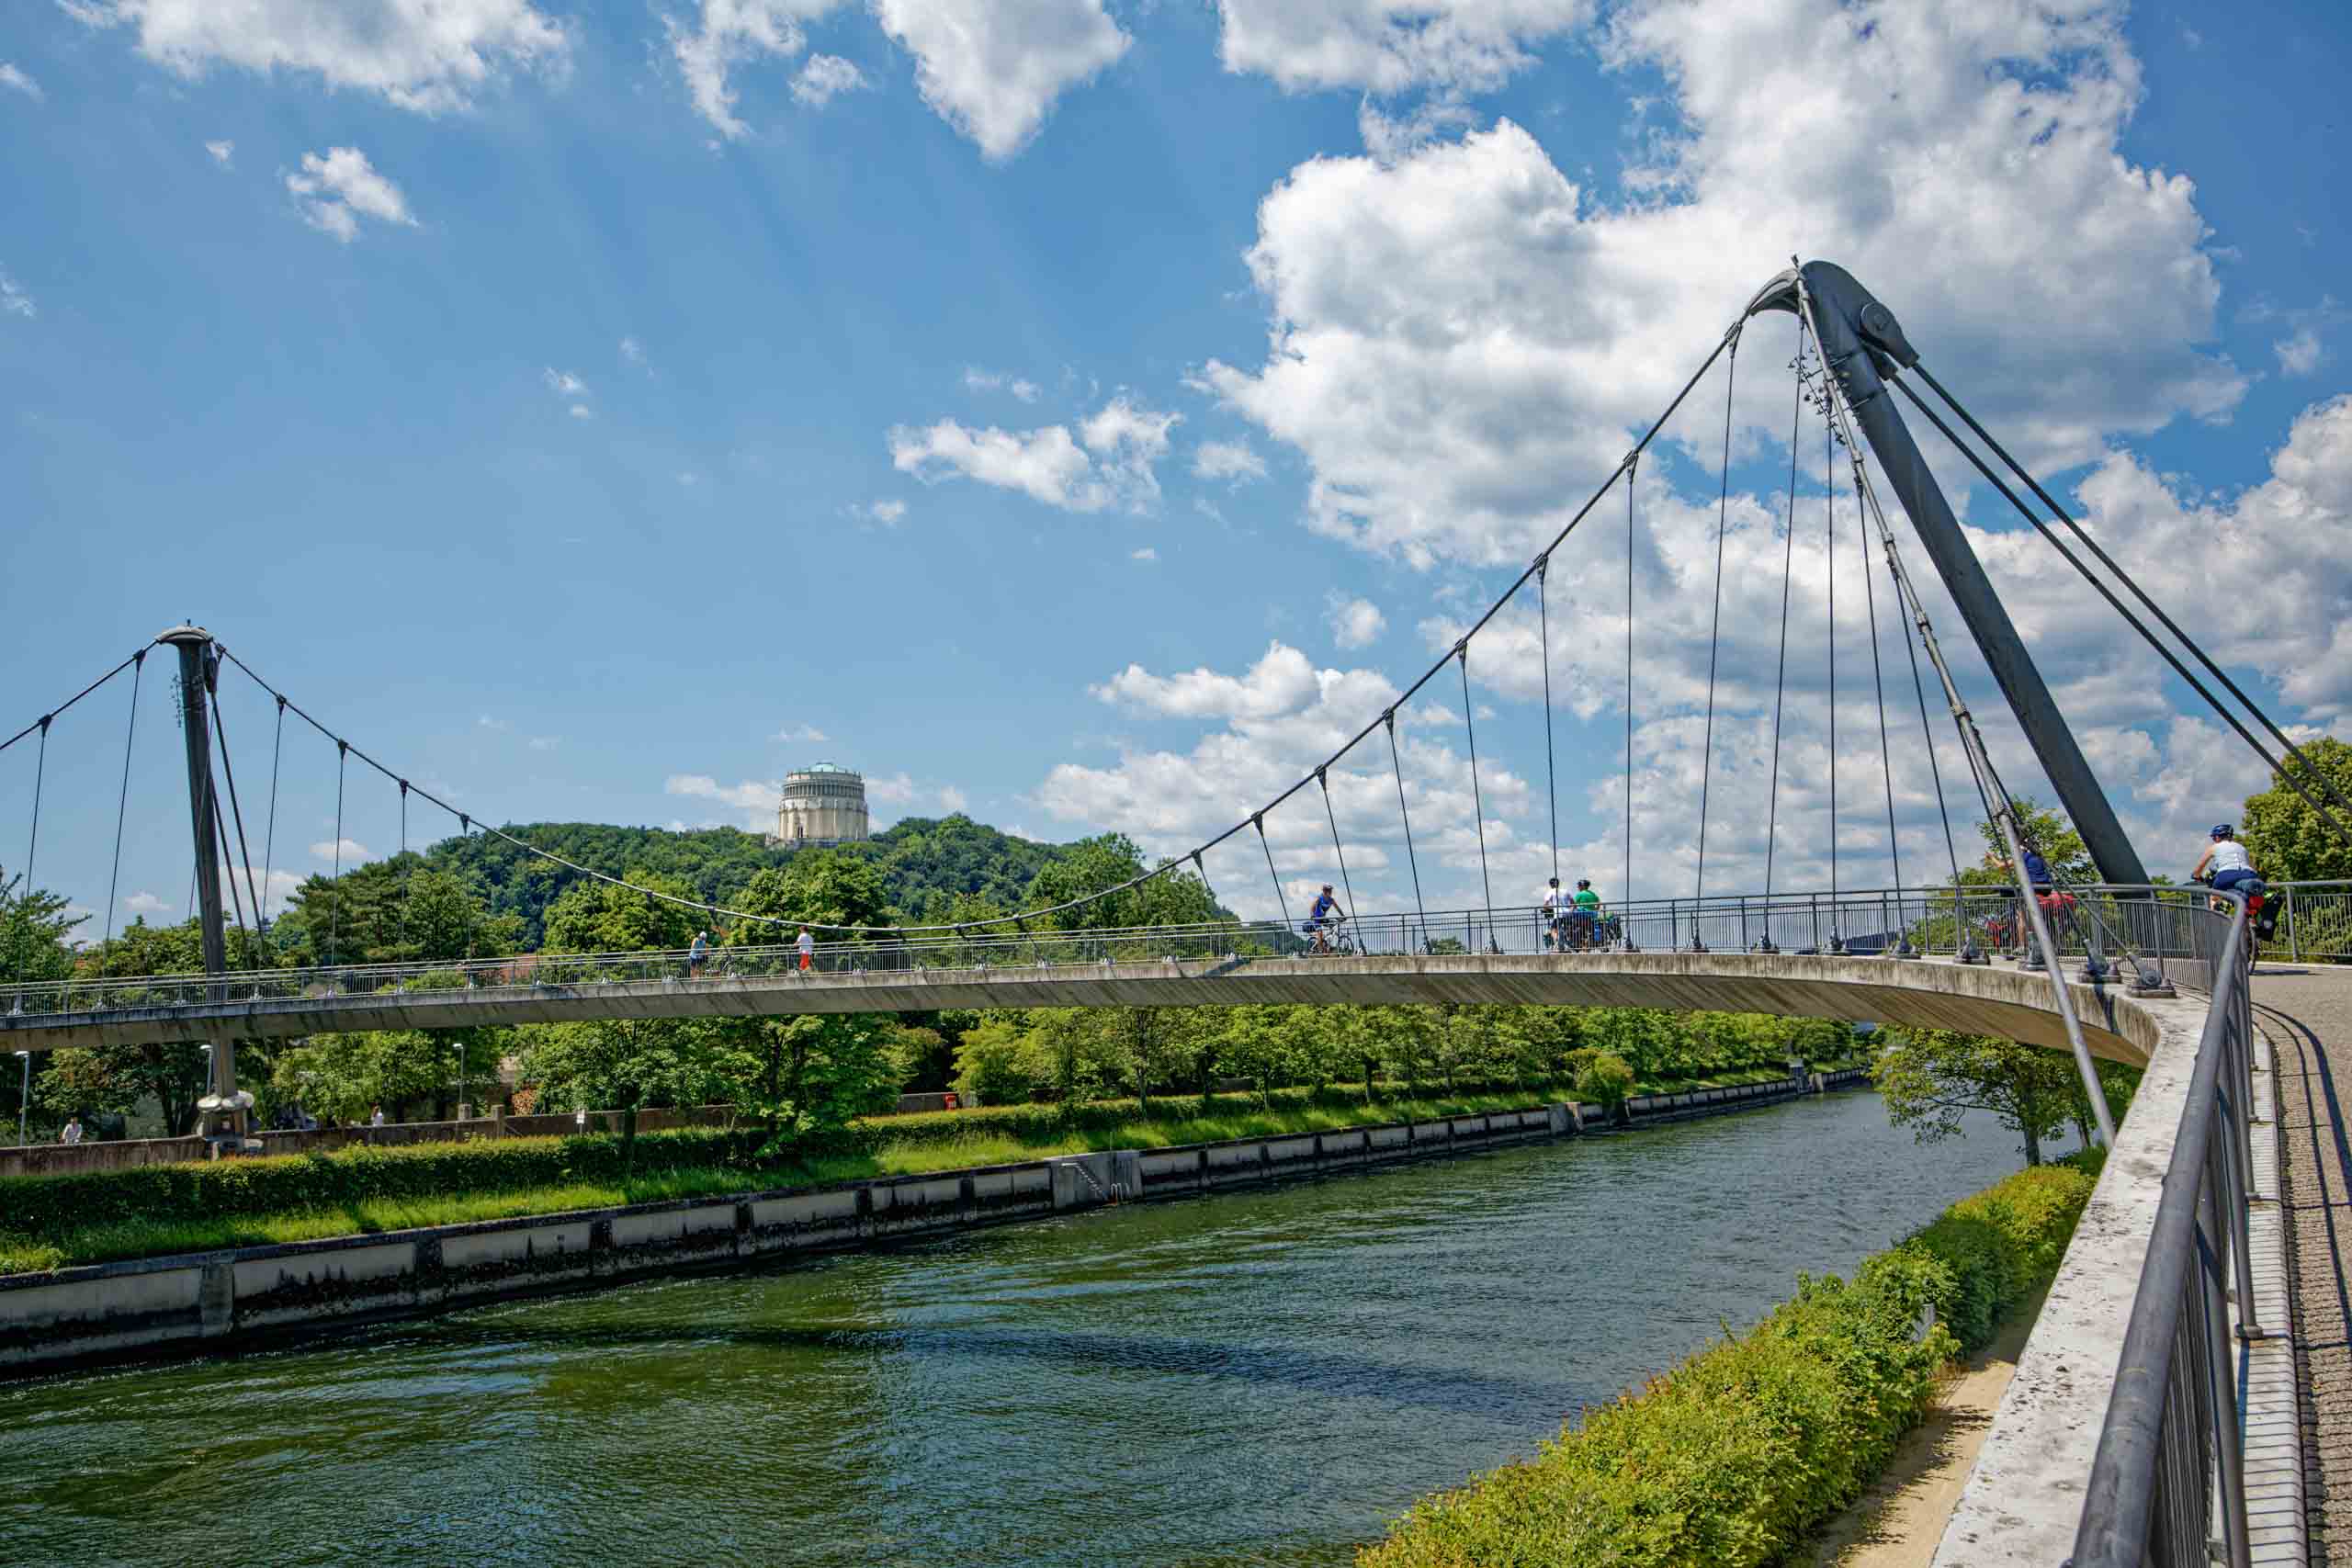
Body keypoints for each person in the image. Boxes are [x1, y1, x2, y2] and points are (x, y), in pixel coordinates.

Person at [2194, 823, 2259, 896]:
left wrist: (2196, 876)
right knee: (2252, 893)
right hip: (2249, 874)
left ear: (2217, 837)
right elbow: (2253, 867)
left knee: (2215, 895)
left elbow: (2200, 866)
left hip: (2226, 875)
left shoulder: (2214, 847)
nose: (2214, 840)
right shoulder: (2242, 847)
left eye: (2214, 837)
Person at [1306, 885, 1345, 952]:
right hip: (1317, 919)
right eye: (1329, 891)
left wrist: (1343, 916)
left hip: (1323, 918)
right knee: (1320, 933)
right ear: (1324, 891)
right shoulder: (1319, 898)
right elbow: (1312, 907)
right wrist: (1312, 915)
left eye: (1331, 891)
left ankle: (1327, 943)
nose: (1331, 892)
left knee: (1333, 925)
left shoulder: (1331, 900)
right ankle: (1320, 950)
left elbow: (1338, 908)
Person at [1541, 877, 1570, 950]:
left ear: (1551, 885)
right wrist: (1570, 910)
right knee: (1566, 929)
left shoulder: (1550, 892)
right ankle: (1567, 943)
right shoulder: (1565, 891)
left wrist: (1546, 909)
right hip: (1568, 914)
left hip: (1558, 914)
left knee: (1553, 929)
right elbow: (1573, 903)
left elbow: (1546, 904)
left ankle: (1557, 941)